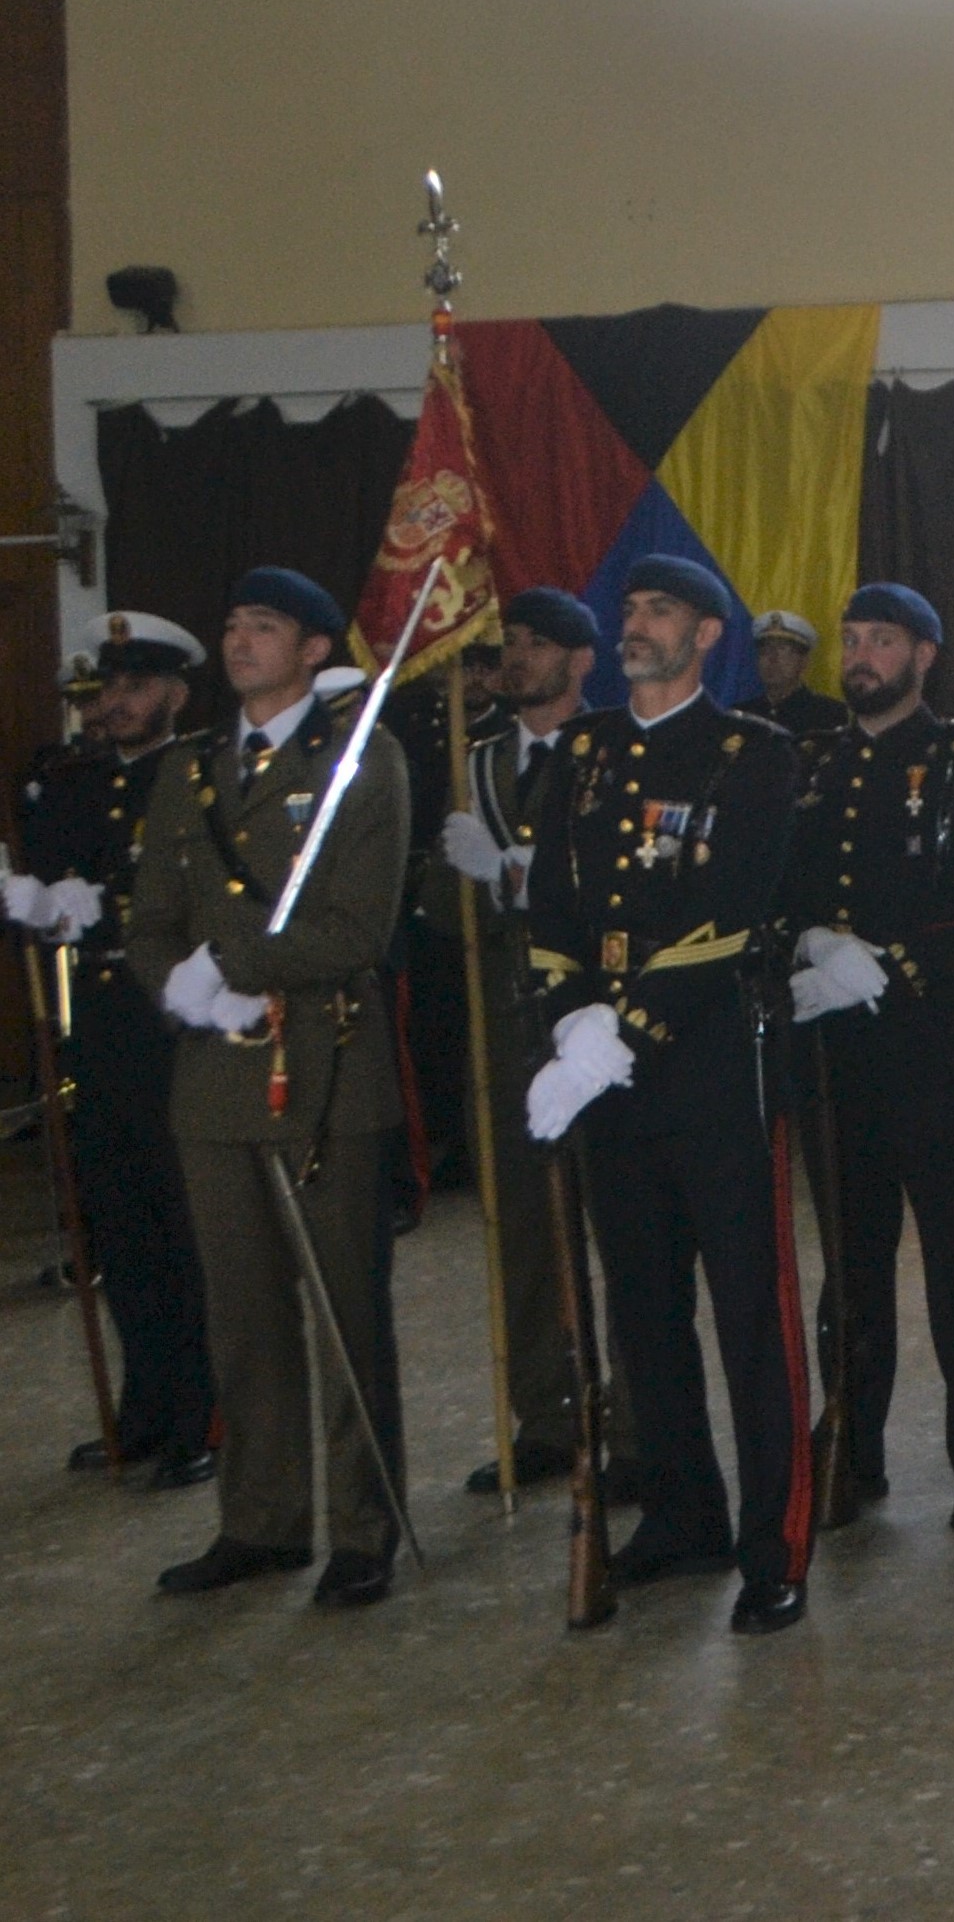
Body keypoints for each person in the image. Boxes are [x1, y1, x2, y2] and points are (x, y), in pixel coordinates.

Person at [519, 558, 812, 1634]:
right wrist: (568, 1020)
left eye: (659, 612)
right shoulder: (586, 750)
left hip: (708, 1069)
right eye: (630, 609)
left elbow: (735, 912)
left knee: (750, 1318)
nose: (634, 625)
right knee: (644, 1310)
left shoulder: (755, 754)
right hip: (605, 1073)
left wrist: (623, 1030)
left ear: (705, 635)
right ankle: (683, 1512)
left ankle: (772, 1542)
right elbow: (549, 900)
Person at [128, 570, 412, 1611]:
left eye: (265, 626)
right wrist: (187, 993)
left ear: (311, 649)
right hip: (213, 1082)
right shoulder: (190, 770)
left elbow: (354, 930)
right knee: (241, 1318)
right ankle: (261, 1518)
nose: (239, 640)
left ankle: (365, 1525)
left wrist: (240, 970)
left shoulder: (360, 760)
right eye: (233, 622)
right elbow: (151, 916)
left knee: (345, 1315)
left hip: (325, 1068)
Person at [778, 582, 954, 1534]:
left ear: (923, 655)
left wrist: (886, 967)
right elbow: (780, 884)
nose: (862, 655)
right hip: (835, 1056)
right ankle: (854, 1447)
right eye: (853, 638)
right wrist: (808, 945)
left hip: (933, 1048)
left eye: (883, 640)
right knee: (851, 1264)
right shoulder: (809, 761)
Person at [11, 611, 212, 1487]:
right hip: (95, 1022)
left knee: (187, 1229)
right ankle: (146, 1409)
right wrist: (34, 901)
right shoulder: (72, 782)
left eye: (135, 688)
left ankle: (206, 1415)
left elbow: (213, 892)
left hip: (172, 1023)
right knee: (121, 1226)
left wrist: (111, 905)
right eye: (107, 691)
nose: (116, 705)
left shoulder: (204, 775)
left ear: (175, 692)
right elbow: (53, 886)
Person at [426, 587, 608, 1491]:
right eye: (511, 646)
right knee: (525, 1235)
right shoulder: (476, 764)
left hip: (598, 1027)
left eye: (538, 645)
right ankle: (547, 1417)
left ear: (581, 660)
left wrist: (521, 881)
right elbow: (428, 906)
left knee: (622, 1228)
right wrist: (462, 877)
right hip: (508, 1025)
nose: (516, 659)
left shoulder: (612, 752)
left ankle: (640, 1422)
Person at [746, 611, 846, 738]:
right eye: (765, 651)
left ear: (804, 662)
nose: (773, 659)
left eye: (783, 651)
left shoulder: (828, 714)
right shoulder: (743, 714)